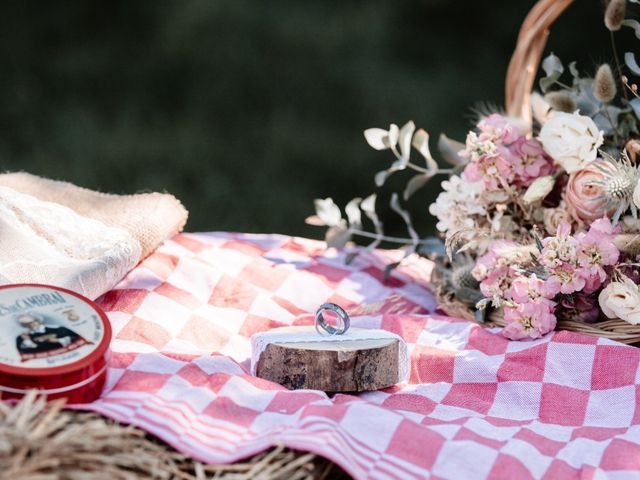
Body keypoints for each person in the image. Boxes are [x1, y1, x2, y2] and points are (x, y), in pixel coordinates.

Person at [15, 313, 82, 355]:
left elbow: (77, 338)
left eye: (32, 322)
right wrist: (27, 341)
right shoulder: (21, 338)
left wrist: (58, 340)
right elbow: (23, 352)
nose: (31, 325)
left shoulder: (59, 329)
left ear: (38, 321)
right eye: (27, 324)